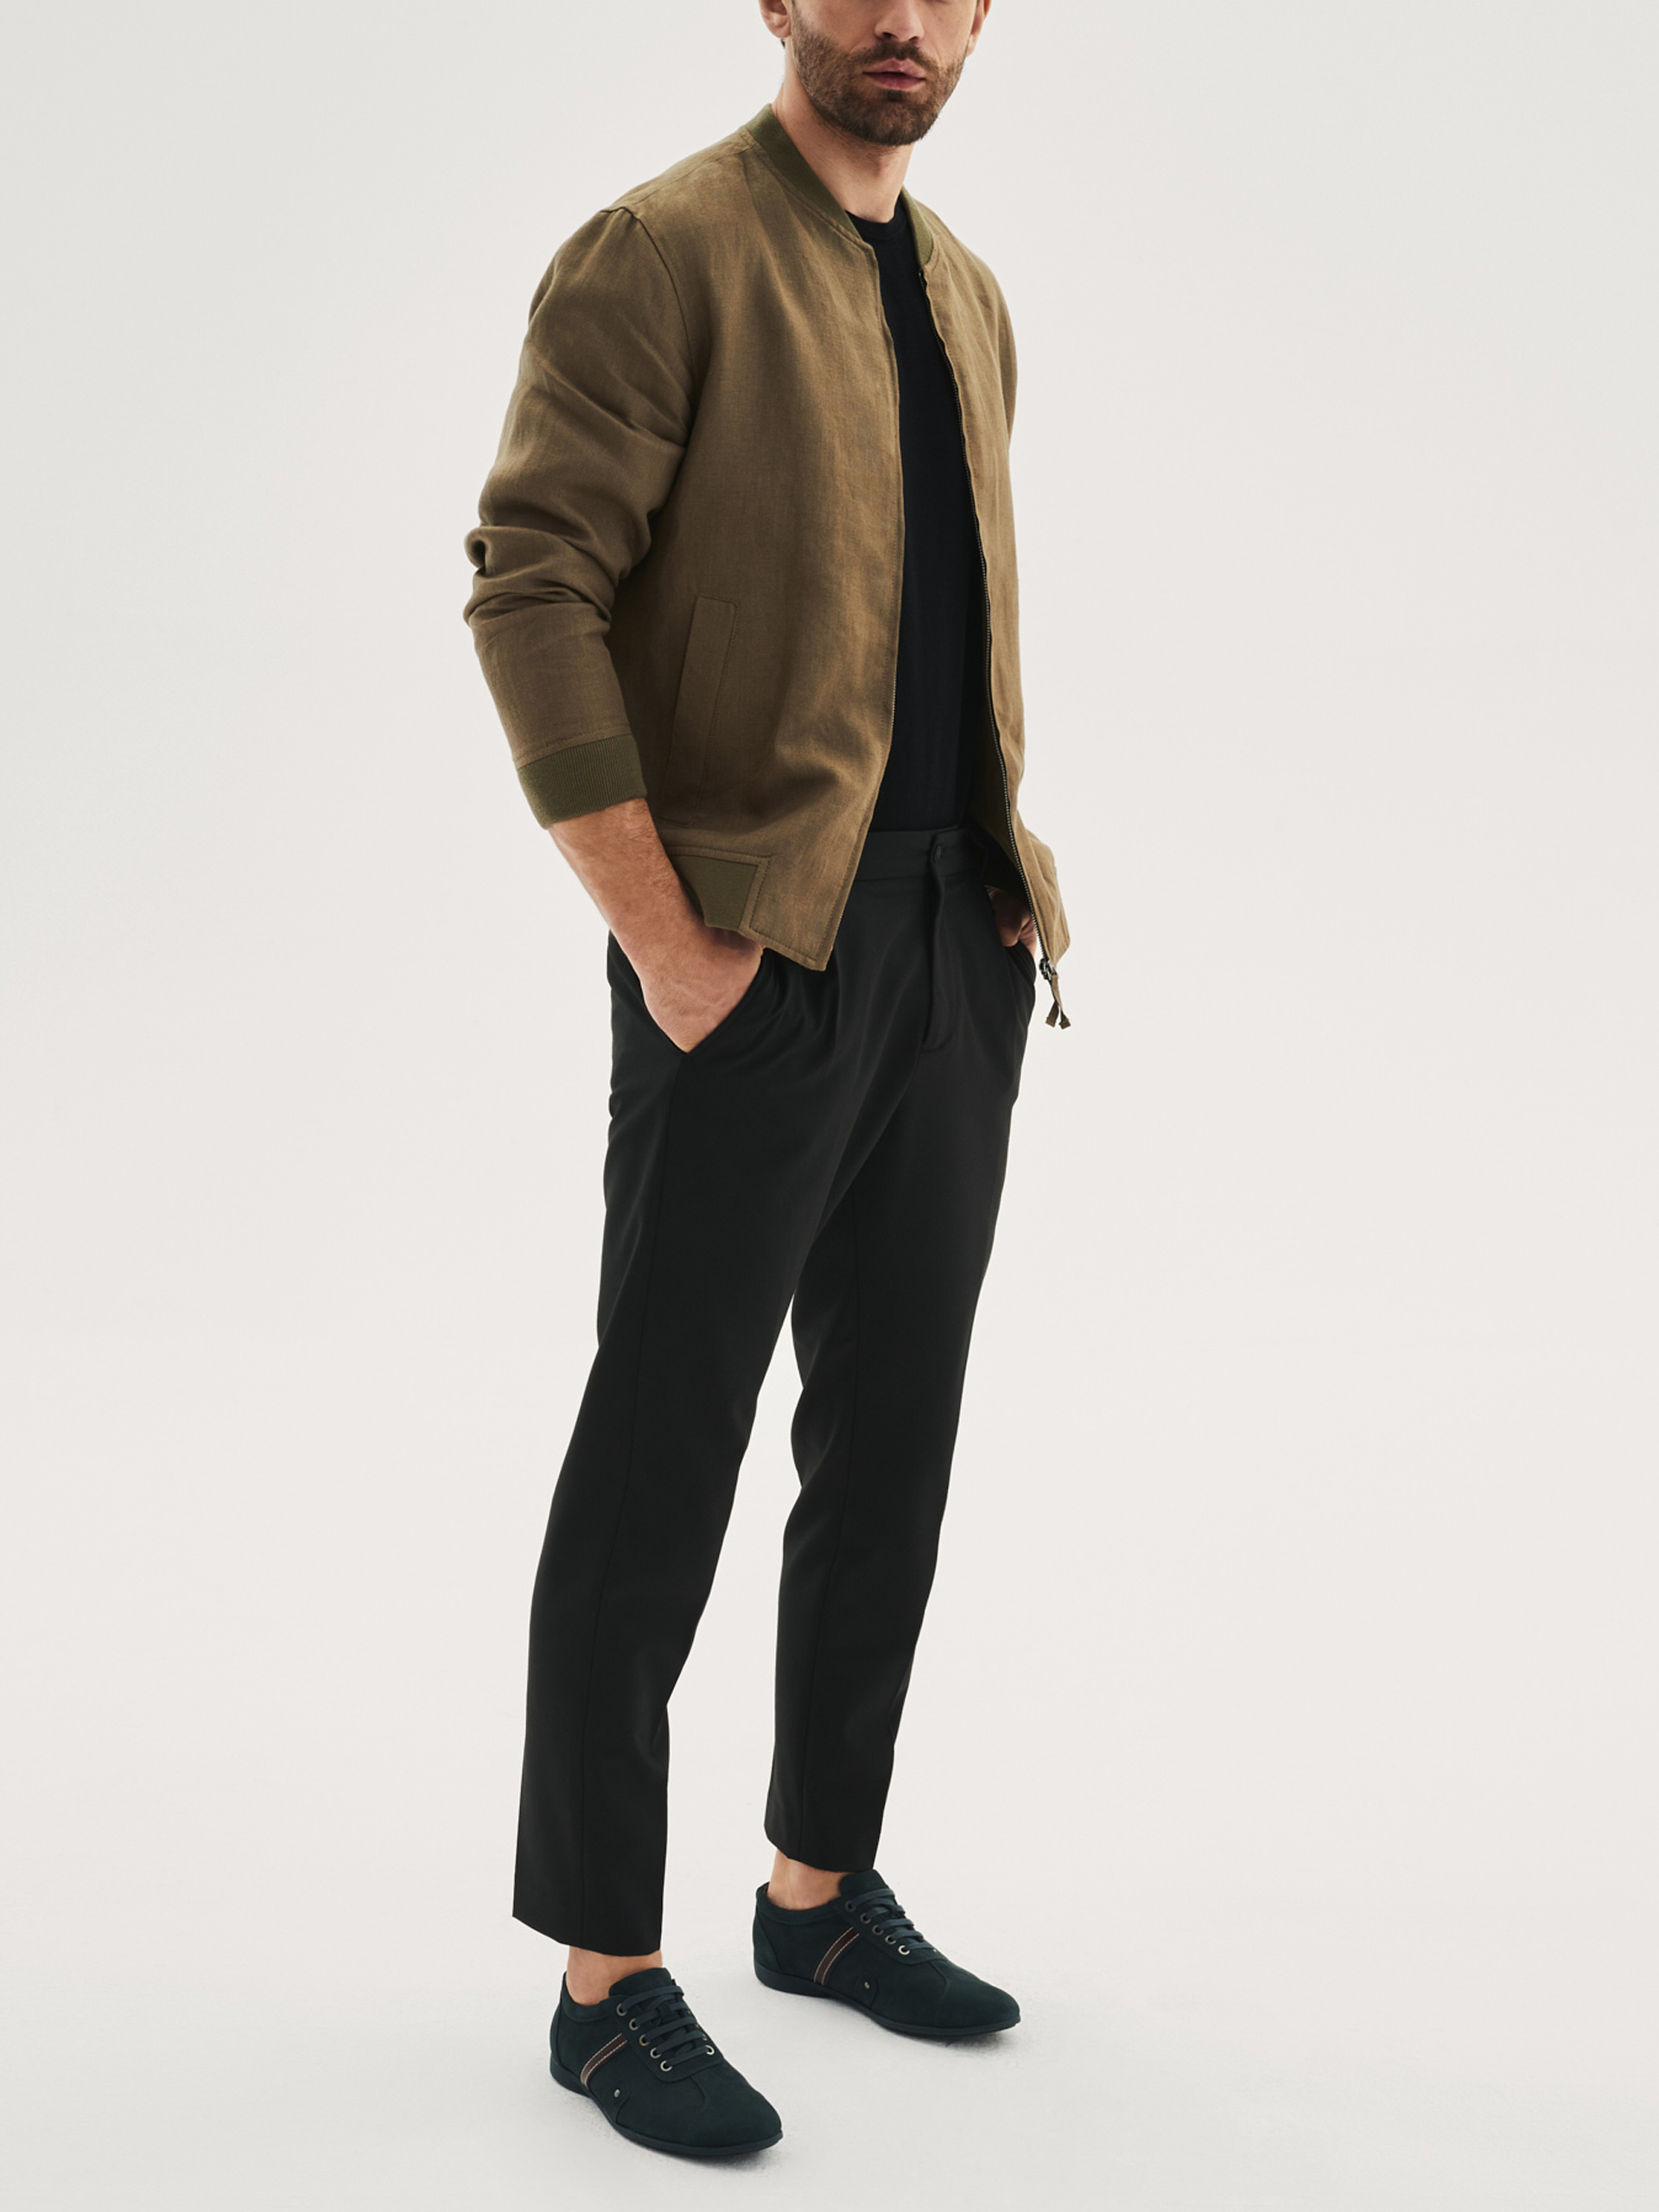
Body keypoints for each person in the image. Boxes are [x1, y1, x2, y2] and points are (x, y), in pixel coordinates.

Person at [463, 0, 1071, 2159]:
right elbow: (531, 580)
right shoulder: (664, 252)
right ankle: (603, 1979)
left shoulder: (966, 288)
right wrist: (665, 937)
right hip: (753, 950)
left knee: (889, 1444)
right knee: (661, 1457)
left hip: (954, 943)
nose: (901, 16)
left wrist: (999, 896)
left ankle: (817, 1891)